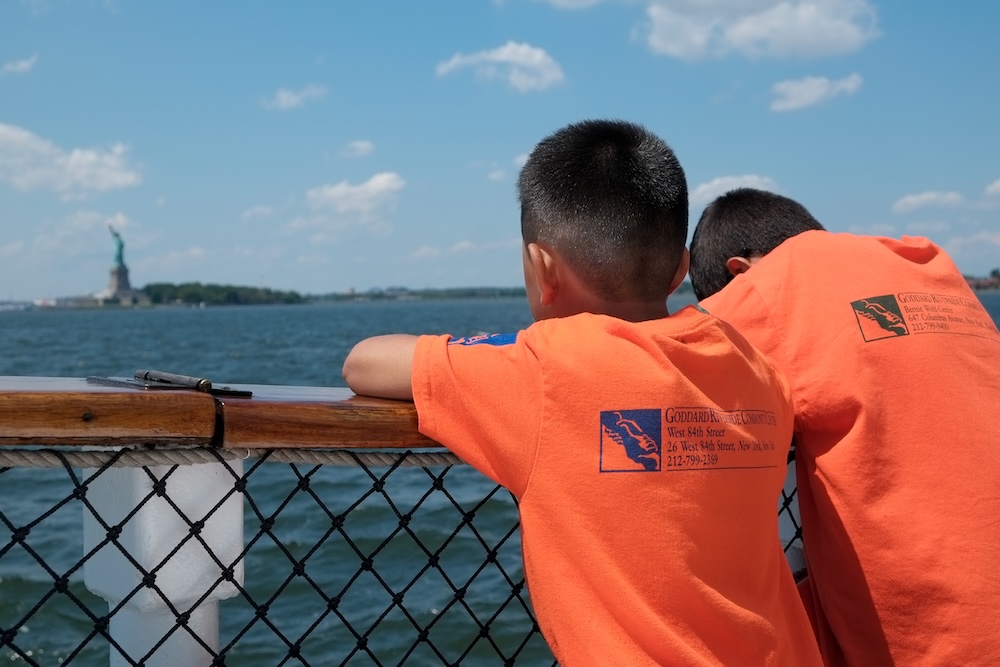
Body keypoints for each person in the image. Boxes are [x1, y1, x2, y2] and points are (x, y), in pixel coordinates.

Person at [343, 121, 822, 665]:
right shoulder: (754, 365)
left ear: (542, 267)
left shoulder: (544, 369)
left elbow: (364, 362)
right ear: (680, 271)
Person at [689, 188, 1000, 666]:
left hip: (948, 642)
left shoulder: (775, 283)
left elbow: (654, 370)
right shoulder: (926, 262)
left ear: (741, 273)